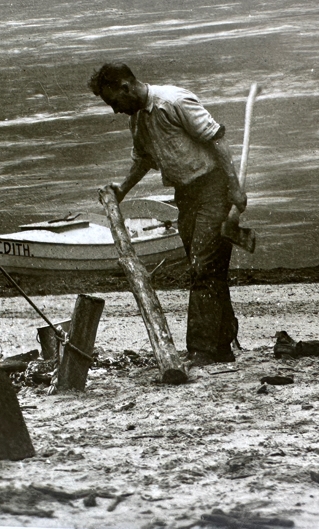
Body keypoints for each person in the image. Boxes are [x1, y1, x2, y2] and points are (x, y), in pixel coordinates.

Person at [88, 62, 247, 366]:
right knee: (206, 270)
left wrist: (235, 187)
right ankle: (221, 347)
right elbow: (143, 160)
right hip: (185, 195)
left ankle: (201, 350)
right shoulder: (137, 121)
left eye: (114, 102)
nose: (115, 110)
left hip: (213, 187)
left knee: (203, 266)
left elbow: (216, 139)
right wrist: (122, 190)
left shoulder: (173, 101)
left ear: (126, 87)